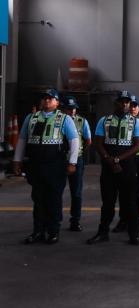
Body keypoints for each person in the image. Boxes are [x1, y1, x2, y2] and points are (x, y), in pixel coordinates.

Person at [13, 89, 79, 244]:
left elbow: (74, 141)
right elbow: (22, 140)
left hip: (55, 165)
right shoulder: (31, 118)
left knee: (54, 198)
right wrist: (17, 161)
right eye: (44, 98)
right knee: (38, 199)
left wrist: (72, 162)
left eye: (51, 99)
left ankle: (53, 231)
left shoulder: (65, 119)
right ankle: (38, 231)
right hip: (36, 165)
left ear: (57, 103)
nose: (47, 101)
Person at [86, 90, 139, 245]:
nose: (125, 104)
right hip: (108, 168)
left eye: (127, 102)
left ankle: (134, 234)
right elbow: (98, 143)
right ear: (116, 103)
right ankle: (102, 232)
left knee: (130, 202)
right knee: (107, 203)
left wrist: (118, 159)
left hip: (127, 167)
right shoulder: (104, 121)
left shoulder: (135, 122)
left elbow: (138, 145)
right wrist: (109, 160)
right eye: (122, 101)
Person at [112, 95, 139, 234]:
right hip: (123, 159)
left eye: (135, 105)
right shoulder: (119, 121)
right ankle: (123, 220)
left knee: (136, 193)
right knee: (123, 192)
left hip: (137, 159)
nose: (133, 108)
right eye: (131, 105)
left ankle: (136, 220)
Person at [60, 96, 92, 232]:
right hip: (60, 160)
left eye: (74, 108)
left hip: (77, 160)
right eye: (69, 108)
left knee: (76, 192)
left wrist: (78, 152)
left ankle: (75, 220)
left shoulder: (82, 122)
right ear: (63, 109)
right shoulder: (58, 120)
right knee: (57, 191)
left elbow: (88, 140)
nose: (72, 111)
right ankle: (56, 220)